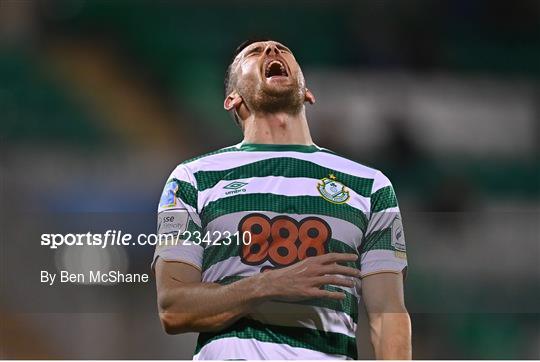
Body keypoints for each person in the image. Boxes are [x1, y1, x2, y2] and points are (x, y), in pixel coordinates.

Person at [153, 39, 411, 360]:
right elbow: (173, 309)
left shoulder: (369, 186)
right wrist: (270, 284)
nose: (272, 51)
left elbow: (388, 312)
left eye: (282, 49)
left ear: (307, 93)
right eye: (254, 53)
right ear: (232, 99)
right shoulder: (192, 179)